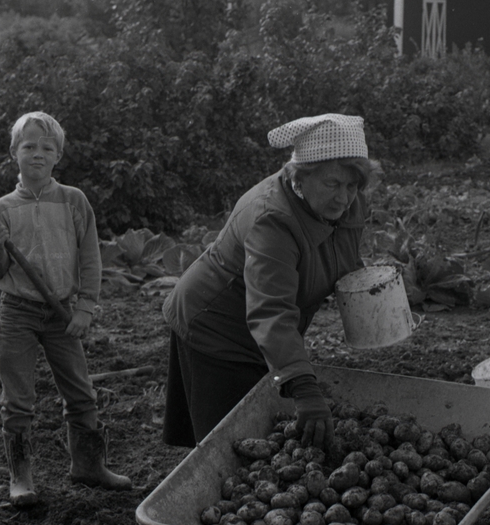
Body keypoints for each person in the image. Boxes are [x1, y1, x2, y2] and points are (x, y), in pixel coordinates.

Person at [161, 113, 378, 450]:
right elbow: (271, 310)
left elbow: (340, 251)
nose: (343, 197)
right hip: (215, 327)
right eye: (332, 184)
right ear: (299, 176)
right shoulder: (272, 219)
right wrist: (304, 387)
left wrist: (366, 290)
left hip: (262, 329)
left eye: (352, 186)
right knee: (227, 445)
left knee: (258, 433)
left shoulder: (347, 203)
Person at [0, 111, 131, 507]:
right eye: (29, 146)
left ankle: (88, 466)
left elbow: (90, 258)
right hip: (17, 311)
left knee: (81, 393)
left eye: (46, 147)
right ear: (14, 152)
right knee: (18, 399)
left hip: (62, 311)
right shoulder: (2, 209)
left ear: (58, 156)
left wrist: (85, 308)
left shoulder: (73, 201)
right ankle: (21, 479)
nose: (38, 153)